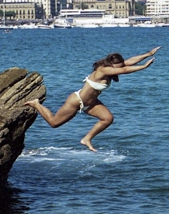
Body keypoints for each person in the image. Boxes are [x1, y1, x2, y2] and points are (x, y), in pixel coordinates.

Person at [25, 47, 160, 152]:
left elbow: (127, 63)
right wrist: (143, 67)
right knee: (54, 123)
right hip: (76, 101)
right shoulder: (103, 70)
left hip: (91, 103)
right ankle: (36, 104)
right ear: (110, 64)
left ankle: (87, 138)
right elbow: (125, 70)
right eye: (117, 67)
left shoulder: (112, 67)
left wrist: (148, 54)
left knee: (108, 119)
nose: (120, 69)